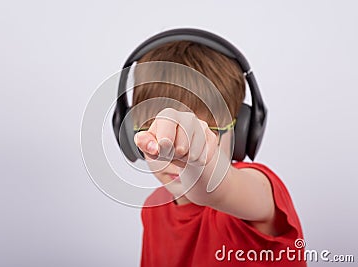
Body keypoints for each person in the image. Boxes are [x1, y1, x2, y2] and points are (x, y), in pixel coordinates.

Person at [129, 39, 306, 266]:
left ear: (242, 132)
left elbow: (218, 189)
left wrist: (199, 157)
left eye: (208, 131)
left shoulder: (260, 193)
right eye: (156, 130)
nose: (176, 155)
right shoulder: (153, 208)